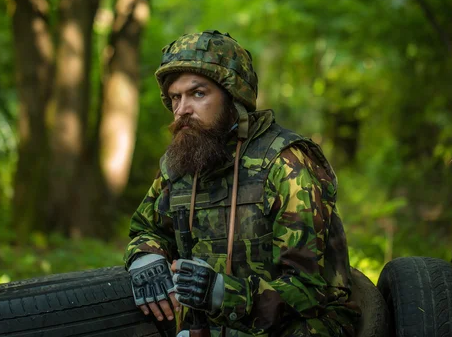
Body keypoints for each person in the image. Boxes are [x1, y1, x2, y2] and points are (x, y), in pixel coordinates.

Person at [124, 30, 360, 336]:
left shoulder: (285, 162)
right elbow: (147, 229)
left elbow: (310, 289)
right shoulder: (181, 162)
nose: (182, 109)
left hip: (299, 325)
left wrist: (221, 292)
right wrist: (146, 257)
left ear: (233, 97)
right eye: (175, 97)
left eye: (198, 93)